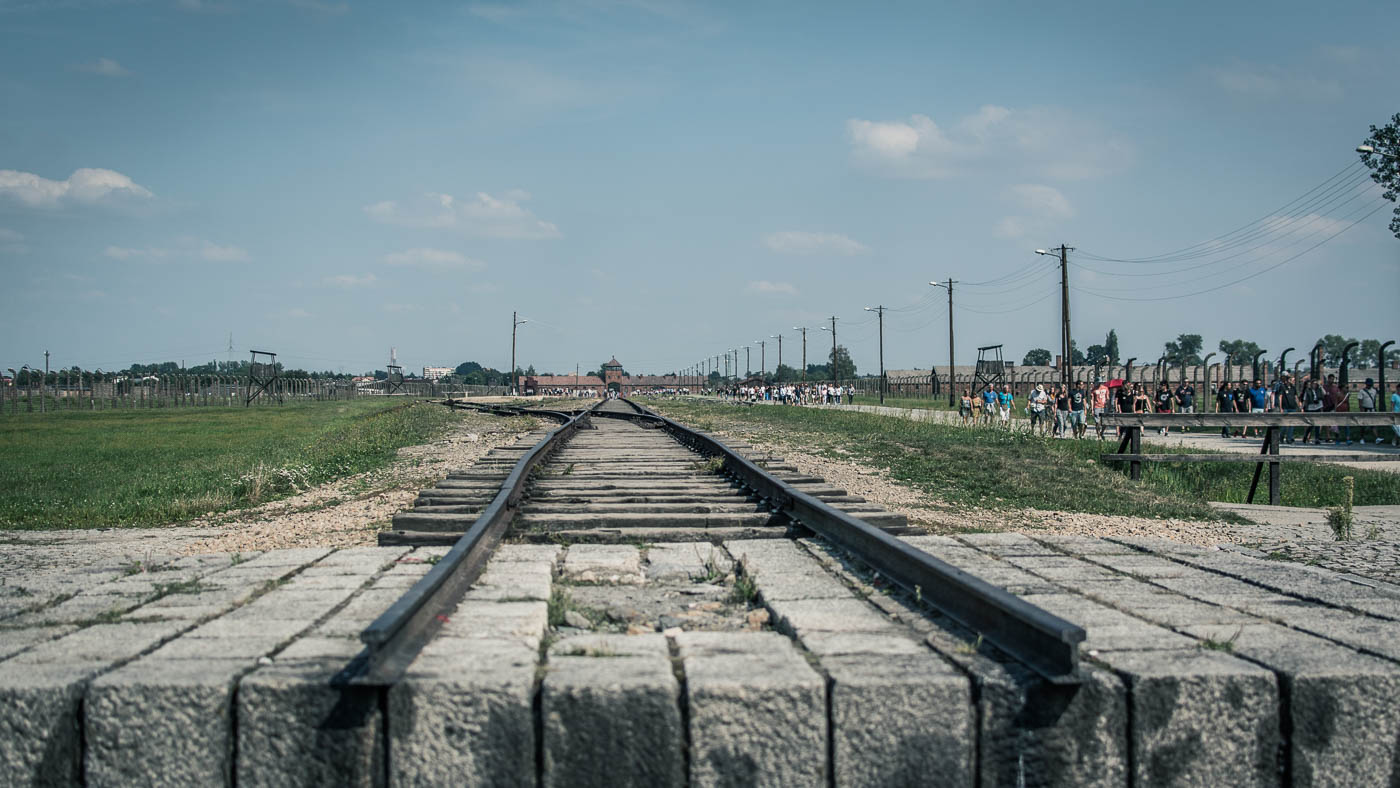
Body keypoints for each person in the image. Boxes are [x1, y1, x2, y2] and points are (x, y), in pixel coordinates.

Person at [1275, 372, 1299, 444]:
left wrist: (1299, 406)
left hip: (1292, 407)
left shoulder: (1293, 388)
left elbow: (1296, 397)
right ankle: (1281, 436)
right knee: (1284, 424)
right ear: (1288, 380)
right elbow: (1280, 397)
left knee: (1291, 424)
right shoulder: (1282, 387)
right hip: (1285, 407)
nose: (1293, 381)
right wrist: (1280, 407)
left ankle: (1289, 438)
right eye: (1292, 380)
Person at [1300, 376, 1326, 444]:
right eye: (1313, 383)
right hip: (1311, 407)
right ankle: (1306, 435)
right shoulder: (1308, 390)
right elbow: (1305, 400)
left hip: (1318, 407)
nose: (1315, 384)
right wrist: (1303, 408)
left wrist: (1320, 386)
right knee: (1311, 424)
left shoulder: (1319, 389)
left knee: (1317, 423)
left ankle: (1317, 438)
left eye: (1316, 383)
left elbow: (1324, 393)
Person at [1357, 378, 1380, 444]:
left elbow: (1374, 400)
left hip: (1372, 409)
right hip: (1365, 409)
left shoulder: (1374, 391)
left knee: (1373, 424)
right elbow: (1360, 402)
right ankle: (1362, 438)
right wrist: (1362, 411)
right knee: (1363, 425)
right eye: (1368, 384)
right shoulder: (1362, 391)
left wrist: (1374, 408)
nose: (1369, 386)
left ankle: (1376, 438)